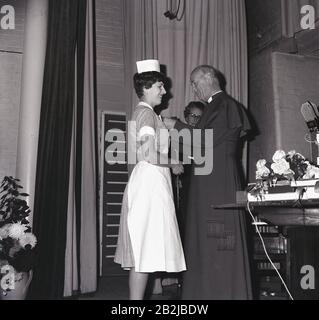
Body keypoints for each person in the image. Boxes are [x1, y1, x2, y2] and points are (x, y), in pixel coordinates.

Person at [163, 65, 252, 300]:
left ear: (209, 78)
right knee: (205, 241)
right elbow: (201, 148)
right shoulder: (215, 106)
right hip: (209, 180)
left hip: (218, 183)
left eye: (194, 82)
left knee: (220, 241)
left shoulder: (224, 104)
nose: (193, 88)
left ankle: (223, 293)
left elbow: (206, 141)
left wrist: (176, 125)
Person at [114, 59, 186, 300]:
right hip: (148, 184)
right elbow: (148, 153)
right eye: (159, 87)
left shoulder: (148, 114)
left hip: (151, 182)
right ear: (146, 88)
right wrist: (173, 162)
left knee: (144, 253)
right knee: (143, 252)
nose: (164, 92)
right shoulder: (145, 113)